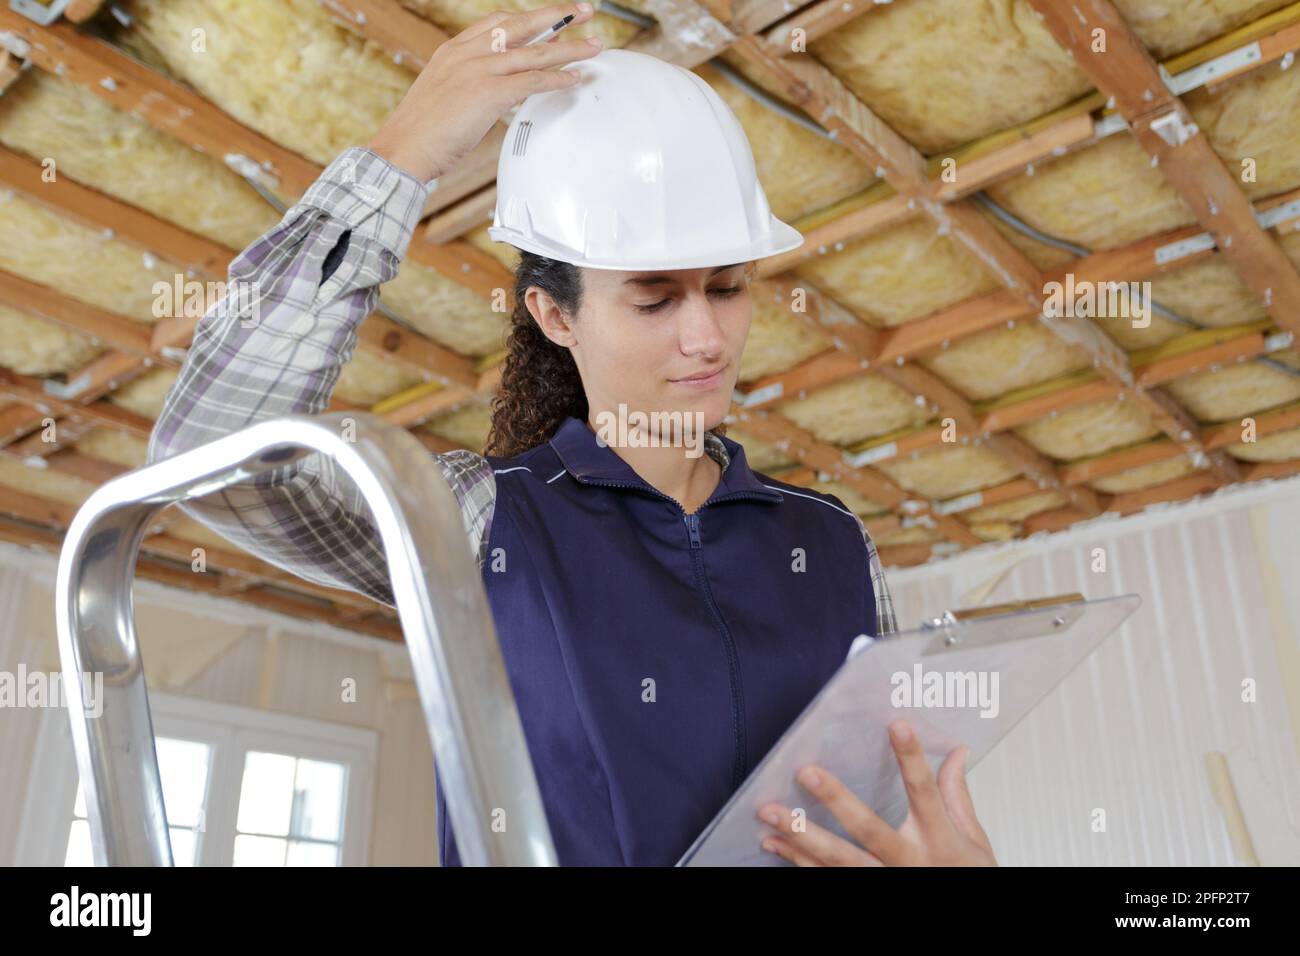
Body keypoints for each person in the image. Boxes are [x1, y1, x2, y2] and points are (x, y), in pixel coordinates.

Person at [148, 3, 995, 867]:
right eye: (655, 297)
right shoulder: (479, 523)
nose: (708, 338)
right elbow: (208, 456)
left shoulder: (833, 544)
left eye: (730, 287)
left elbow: (885, 815)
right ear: (555, 314)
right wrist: (398, 159)